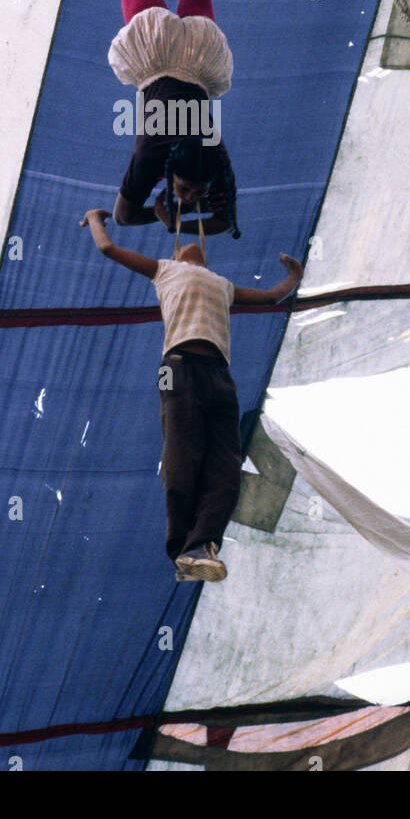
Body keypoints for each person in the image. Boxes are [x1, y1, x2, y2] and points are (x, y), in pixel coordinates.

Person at [80, 207, 303, 581]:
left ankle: (202, 546)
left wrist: (294, 276)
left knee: (226, 467)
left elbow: (269, 297)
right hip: (174, 370)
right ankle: (182, 545)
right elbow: (108, 249)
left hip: (219, 375)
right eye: (182, 247)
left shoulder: (222, 284)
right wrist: (96, 218)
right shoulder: (164, 271)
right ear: (174, 253)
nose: (192, 249)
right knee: (181, 453)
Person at [109, 0, 254, 240]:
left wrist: (180, 219)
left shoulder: (214, 155)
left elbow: (224, 220)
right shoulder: (151, 156)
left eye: (193, 192)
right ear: (172, 169)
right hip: (158, 56)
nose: (191, 197)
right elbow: (123, 217)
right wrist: (171, 220)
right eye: (192, 190)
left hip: (200, 56)